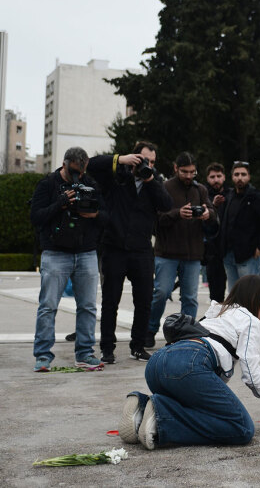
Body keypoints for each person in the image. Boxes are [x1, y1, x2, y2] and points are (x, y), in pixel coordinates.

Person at [119, 275, 260, 449]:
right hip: (188, 364)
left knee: (200, 409)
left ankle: (141, 409)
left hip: (156, 365)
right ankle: (161, 418)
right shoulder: (250, 321)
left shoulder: (216, 312)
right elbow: (251, 370)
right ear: (253, 298)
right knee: (242, 428)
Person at [87, 141, 173, 364]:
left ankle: (138, 346)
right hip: (114, 247)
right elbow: (91, 164)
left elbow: (166, 204)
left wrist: (150, 179)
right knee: (110, 301)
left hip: (141, 250)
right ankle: (107, 348)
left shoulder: (154, 182)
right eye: (144, 160)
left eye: (152, 162)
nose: (148, 165)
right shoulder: (117, 176)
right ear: (134, 157)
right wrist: (120, 159)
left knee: (144, 301)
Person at [30, 147, 108, 372]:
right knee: (48, 306)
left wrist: (94, 213)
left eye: (81, 172)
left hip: (86, 252)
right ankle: (43, 355)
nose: (78, 176)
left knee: (88, 307)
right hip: (55, 252)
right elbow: (36, 217)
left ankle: (84, 353)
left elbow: (106, 217)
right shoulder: (48, 184)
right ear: (64, 164)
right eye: (74, 171)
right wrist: (60, 203)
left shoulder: (89, 184)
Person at [150, 151, 218, 346]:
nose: (189, 176)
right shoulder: (165, 188)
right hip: (167, 252)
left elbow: (213, 214)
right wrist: (177, 214)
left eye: (192, 172)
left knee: (190, 299)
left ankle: (186, 337)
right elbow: (156, 220)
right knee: (161, 293)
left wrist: (208, 214)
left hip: (192, 254)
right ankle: (150, 329)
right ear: (175, 168)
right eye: (184, 172)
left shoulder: (200, 189)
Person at [221, 161, 260, 291]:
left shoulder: (256, 197)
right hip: (229, 254)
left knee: (248, 293)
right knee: (233, 293)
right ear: (232, 176)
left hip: (249, 255)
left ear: (249, 177)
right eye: (236, 174)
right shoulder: (229, 196)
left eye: (243, 174)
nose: (240, 177)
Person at [203, 162, 228, 303]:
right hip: (212, 249)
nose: (216, 180)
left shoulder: (230, 194)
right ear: (207, 178)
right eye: (212, 177)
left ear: (224, 177)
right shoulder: (203, 195)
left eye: (219, 176)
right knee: (216, 294)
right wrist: (213, 206)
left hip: (229, 247)